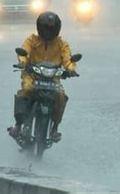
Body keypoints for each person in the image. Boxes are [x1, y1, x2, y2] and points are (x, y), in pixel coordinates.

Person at [8, 11, 78, 142]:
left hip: (53, 78)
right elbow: (24, 52)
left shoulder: (61, 44)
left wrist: (70, 69)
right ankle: (18, 125)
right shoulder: (32, 40)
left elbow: (68, 59)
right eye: (45, 29)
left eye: (50, 30)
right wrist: (22, 62)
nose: (47, 33)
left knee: (60, 95)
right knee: (26, 89)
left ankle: (54, 128)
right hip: (32, 75)